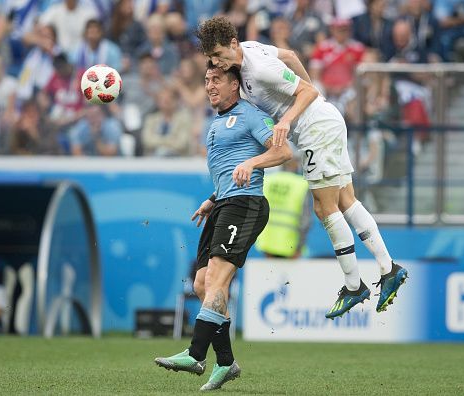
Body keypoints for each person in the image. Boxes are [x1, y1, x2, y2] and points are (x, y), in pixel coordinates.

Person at [196, 16, 407, 319]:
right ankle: (389, 270)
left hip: (315, 129)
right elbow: (292, 56)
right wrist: (312, 102)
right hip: (323, 122)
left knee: (325, 208)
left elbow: (306, 91)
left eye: (218, 54)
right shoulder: (250, 47)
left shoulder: (258, 68)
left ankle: (353, 285)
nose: (217, 62)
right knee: (347, 200)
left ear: (232, 44)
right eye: (212, 58)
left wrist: (290, 117)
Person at [154, 62, 292, 391]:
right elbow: (231, 167)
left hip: (246, 204)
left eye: (217, 79)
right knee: (203, 283)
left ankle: (196, 353)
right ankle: (227, 362)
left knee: (217, 276)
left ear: (235, 85)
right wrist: (213, 198)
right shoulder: (216, 122)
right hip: (224, 205)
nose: (210, 85)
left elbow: (283, 151)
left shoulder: (251, 114)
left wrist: (252, 162)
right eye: (206, 80)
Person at [255, 156, 311, 258]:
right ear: (296, 164)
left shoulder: (267, 180)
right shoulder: (301, 184)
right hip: (291, 245)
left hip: (267, 243)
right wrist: (300, 246)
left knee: (269, 273)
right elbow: (305, 220)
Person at [141, 84, 192, 156]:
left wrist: (159, 141)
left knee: (163, 152)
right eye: (162, 99)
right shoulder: (151, 119)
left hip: (177, 160)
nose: (166, 102)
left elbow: (181, 144)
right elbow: (147, 141)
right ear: (158, 102)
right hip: (152, 160)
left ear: (176, 100)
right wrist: (169, 140)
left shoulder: (184, 119)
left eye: (169, 99)